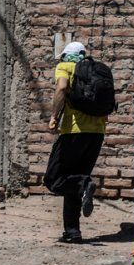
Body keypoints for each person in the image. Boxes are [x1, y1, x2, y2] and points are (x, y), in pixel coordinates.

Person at [44, 41, 109, 244]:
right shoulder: (96, 71)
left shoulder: (65, 67)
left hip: (74, 132)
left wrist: (54, 116)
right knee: (73, 180)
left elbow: (62, 89)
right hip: (97, 134)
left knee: (53, 180)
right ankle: (72, 232)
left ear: (65, 56)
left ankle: (85, 184)